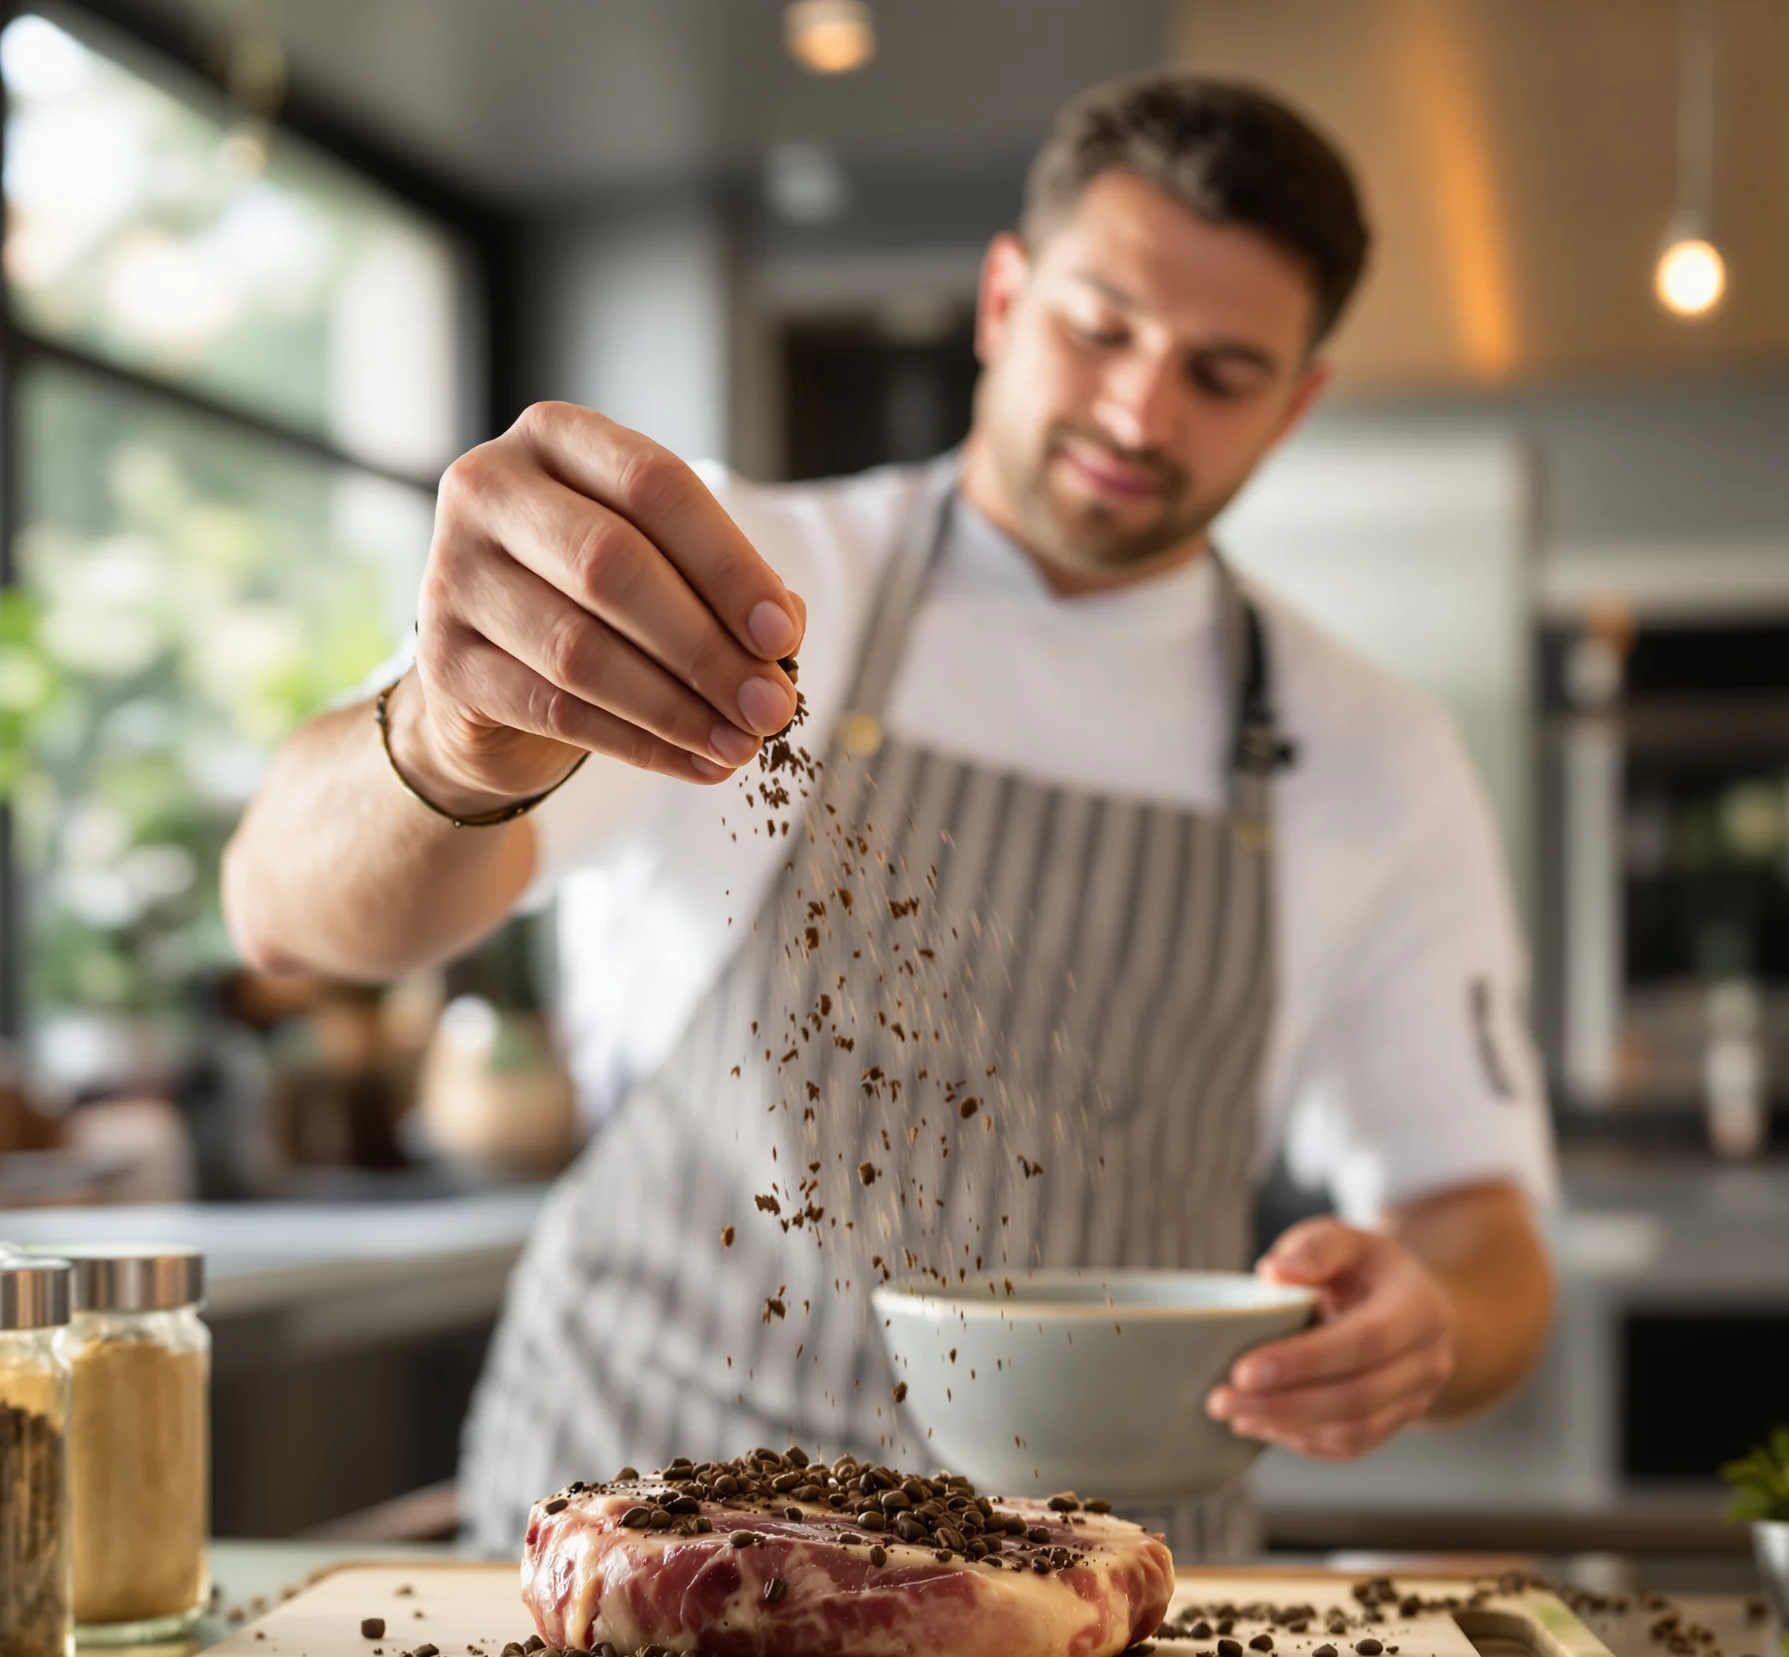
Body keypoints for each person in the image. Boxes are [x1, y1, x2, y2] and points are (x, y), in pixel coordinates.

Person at [224, 74, 1556, 1557]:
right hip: (638, 1551)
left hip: (1084, 1607)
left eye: (1223, 372)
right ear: (1003, 298)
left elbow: (1484, 1235)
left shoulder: (1372, 752)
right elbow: (285, 909)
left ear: (1296, 403)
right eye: (1098, 328)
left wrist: (1427, 1322)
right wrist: (449, 736)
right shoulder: (737, 585)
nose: (1139, 408)